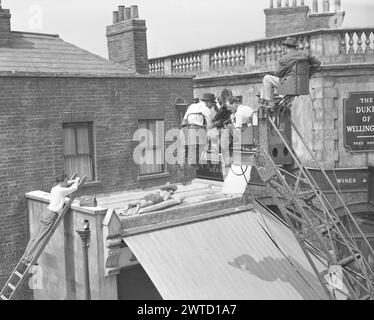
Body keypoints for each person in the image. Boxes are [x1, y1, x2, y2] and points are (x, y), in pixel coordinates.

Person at [23, 173, 80, 264]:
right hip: (51, 215)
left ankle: (26, 256)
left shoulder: (54, 188)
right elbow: (74, 188)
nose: (67, 182)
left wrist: (72, 180)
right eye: (65, 181)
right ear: (61, 182)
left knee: (35, 236)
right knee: (41, 237)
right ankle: (28, 258)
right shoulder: (61, 190)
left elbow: (67, 183)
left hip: (46, 213)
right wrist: (77, 181)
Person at [260, 37, 321, 107]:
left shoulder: (285, 58)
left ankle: (267, 102)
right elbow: (317, 63)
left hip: (290, 85)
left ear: (286, 47)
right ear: (295, 47)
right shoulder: (306, 54)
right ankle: (284, 103)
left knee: (267, 78)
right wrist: (308, 75)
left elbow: (278, 74)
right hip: (302, 86)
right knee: (286, 82)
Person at [181, 93, 216, 166]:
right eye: (212, 104)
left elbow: (184, 120)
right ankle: (197, 164)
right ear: (208, 102)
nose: (212, 106)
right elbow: (209, 124)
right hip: (198, 128)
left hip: (187, 127)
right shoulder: (206, 109)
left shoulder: (192, 106)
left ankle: (190, 162)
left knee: (191, 147)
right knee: (201, 146)